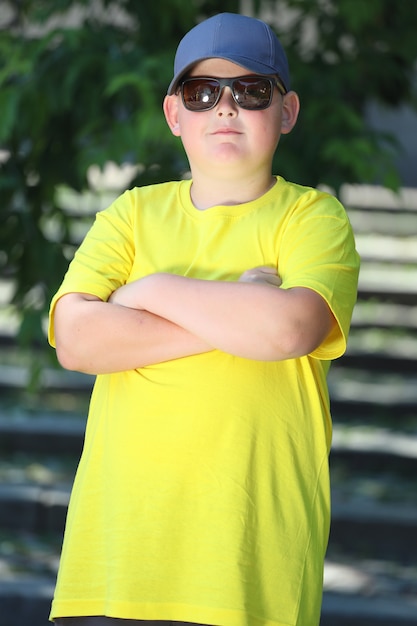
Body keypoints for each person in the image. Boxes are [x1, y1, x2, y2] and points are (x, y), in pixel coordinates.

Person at [48, 12, 359, 626]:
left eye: (251, 91)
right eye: (202, 92)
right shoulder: (131, 215)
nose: (225, 107)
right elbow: (78, 341)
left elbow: (288, 330)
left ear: (287, 111)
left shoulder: (313, 219)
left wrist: (149, 290)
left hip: (248, 562)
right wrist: (233, 311)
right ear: (174, 115)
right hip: (118, 558)